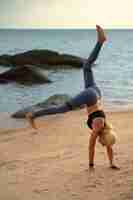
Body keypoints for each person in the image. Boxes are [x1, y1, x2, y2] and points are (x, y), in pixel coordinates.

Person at [26, 25, 119, 169]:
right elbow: (91, 147)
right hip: (91, 97)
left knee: (86, 65)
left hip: (95, 92)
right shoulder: (98, 129)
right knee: (61, 109)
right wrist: (91, 165)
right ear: (103, 138)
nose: (103, 144)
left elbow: (109, 147)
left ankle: (101, 41)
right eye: (104, 143)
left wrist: (112, 163)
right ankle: (33, 115)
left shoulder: (105, 127)